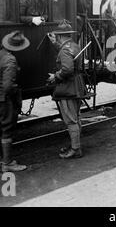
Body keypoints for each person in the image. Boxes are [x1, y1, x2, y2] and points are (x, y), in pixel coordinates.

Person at [0, 31, 30, 172]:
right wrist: (15, 92)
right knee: (7, 130)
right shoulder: (11, 60)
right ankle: (8, 164)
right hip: (5, 100)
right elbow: (7, 86)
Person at [47, 21, 87, 159]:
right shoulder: (74, 46)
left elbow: (67, 69)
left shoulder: (64, 50)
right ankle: (75, 146)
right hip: (76, 85)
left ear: (59, 36)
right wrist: (55, 45)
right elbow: (68, 55)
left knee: (71, 120)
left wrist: (55, 76)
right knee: (76, 117)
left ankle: (76, 149)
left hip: (68, 87)